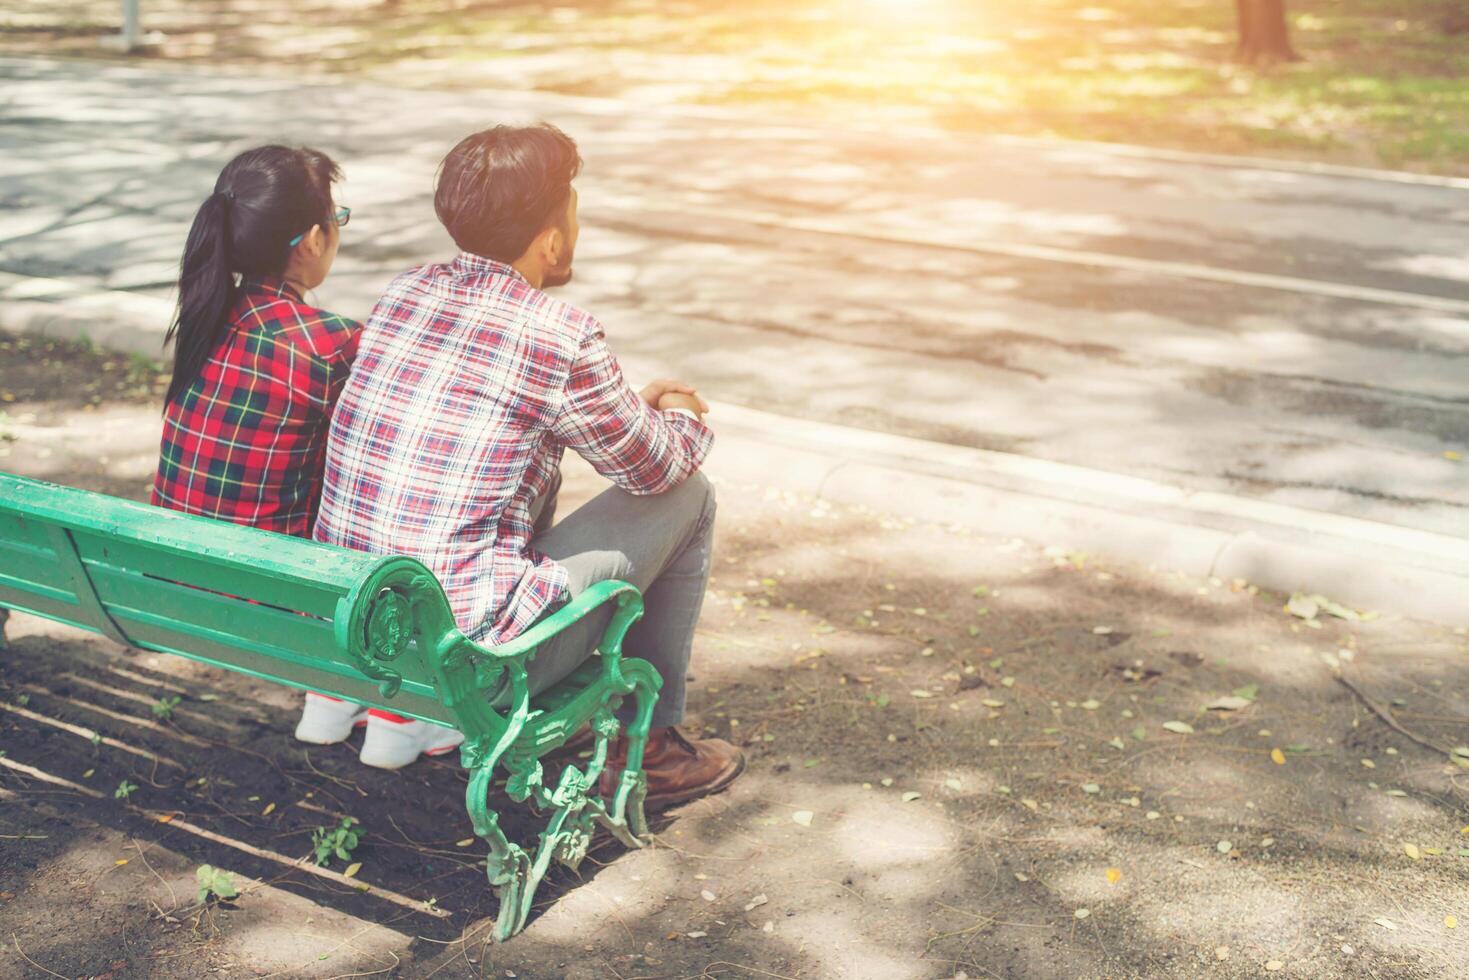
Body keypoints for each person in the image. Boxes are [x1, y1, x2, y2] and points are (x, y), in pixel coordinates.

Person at [313, 123, 743, 806]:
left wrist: (629, 411)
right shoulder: (557, 333)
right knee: (687, 497)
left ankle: (627, 728)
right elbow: (655, 470)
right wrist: (681, 414)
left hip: (363, 630)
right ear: (549, 237)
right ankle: (650, 747)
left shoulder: (406, 292)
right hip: (472, 664)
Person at [149, 145, 369, 748]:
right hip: (272, 604)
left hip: (170, 587)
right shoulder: (332, 345)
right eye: (337, 219)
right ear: (312, 240)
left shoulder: (205, 316)